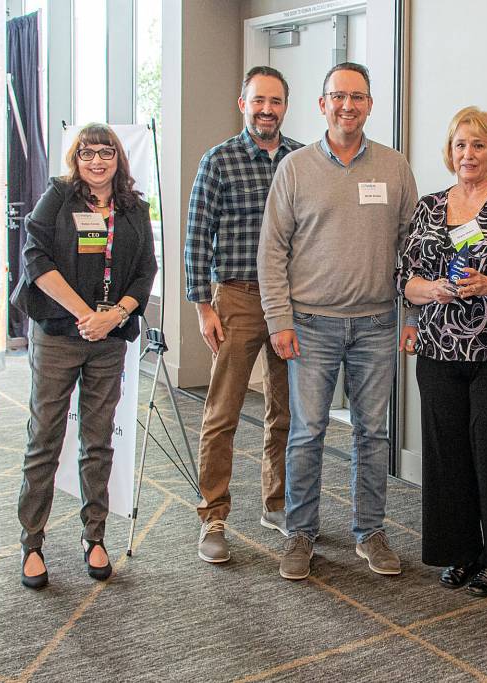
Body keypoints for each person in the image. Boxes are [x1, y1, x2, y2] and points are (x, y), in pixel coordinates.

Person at [258, 62, 418, 581]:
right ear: (322, 105)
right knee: (307, 432)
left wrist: (410, 315)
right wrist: (279, 319)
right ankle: (301, 532)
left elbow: (412, 249)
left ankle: (369, 531)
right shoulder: (296, 167)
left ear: (370, 105)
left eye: (357, 96)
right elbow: (272, 251)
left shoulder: (394, 167)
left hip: (377, 324)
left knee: (373, 433)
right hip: (310, 324)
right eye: (337, 96)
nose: (347, 105)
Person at [397, 106, 487, 597]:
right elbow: (406, 280)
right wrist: (432, 289)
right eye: (461, 145)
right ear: (450, 151)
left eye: (479, 145)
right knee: (447, 459)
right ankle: (462, 554)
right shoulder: (428, 206)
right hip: (440, 352)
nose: (468, 154)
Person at [12, 123, 157, 589]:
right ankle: (31, 541)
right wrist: (84, 314)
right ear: (76, 157)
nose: (97, 161)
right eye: (88, 152)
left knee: (98, 440)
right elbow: (35, 261)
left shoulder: (134, 208)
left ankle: (94, 537)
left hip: (109, 340)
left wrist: (113, 316)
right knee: (46, 437)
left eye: (106, 152)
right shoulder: (58, 198)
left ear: (119, 159)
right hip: (59, 333)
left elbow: (145, 272)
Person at [185, 66, 303, 564]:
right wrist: (202, 306)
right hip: (235, 298)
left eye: (275, 101)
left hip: (292, 302)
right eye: (258, 100)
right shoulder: (219, 161)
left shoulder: (302, 160)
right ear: (242, 103)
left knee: (287, 411)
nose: (266, 109)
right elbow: (196, 235)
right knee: (222, 412)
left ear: (285, 106)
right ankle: (213, 515)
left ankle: (276, 504)